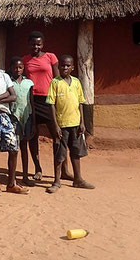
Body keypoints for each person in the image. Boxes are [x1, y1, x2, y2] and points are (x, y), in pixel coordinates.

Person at [22, 30, 73, 180]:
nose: (36, 47)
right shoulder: (25, 60)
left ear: (43, 44)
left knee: (58, 136)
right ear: (29, 45)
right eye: (33, 44)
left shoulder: (50, 57)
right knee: (33, 135)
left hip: (49, 101)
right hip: (31, 101)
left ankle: (63, 169)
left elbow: (58, 79)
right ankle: (38, 168)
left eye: (38, 44)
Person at [0, 49, 29, 196]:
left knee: (14, 148)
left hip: (5, 116)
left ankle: (11, 183)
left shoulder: (5, 76)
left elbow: (13, 97)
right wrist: (4, 96)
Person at [46, 54, 95, 193]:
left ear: (73, 67)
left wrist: (82, 122)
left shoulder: (76, 82)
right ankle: (56, 181)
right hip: (62, 124)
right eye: (62, 65)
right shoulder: (55, 83)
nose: (65, 68)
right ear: (58, 67)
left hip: (75, 124)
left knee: (76, 152)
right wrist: (55, 125)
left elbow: (80, 102)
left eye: (68, 66)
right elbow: (51, 105)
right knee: (59, 153)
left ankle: (78, 179)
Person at [8, 57, 38, 187]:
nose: (18, 70)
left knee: (24, 147)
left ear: (23, 68)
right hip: (13, 118)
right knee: (13, 149)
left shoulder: (29, 83)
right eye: (15, 67)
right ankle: (12, 177)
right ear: (11, 68)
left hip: (27, 117)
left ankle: (25, 175)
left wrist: (34, 122)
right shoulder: (8, 82)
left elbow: (31, 101)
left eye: (20, 67)